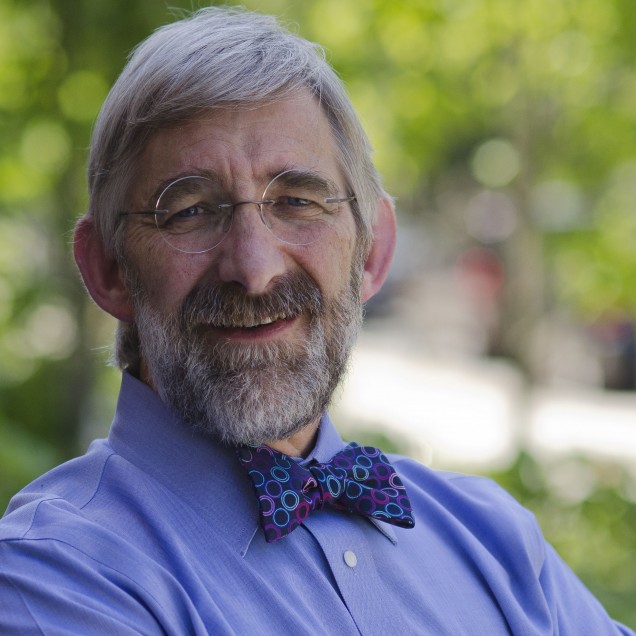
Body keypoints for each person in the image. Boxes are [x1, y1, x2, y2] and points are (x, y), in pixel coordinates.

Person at [0, 6, 632, 635]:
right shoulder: (55, 573)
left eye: (298, 201)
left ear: (373, 252)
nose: (254, 268)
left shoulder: (494, 539)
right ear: (107, 269)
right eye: (190, 210)